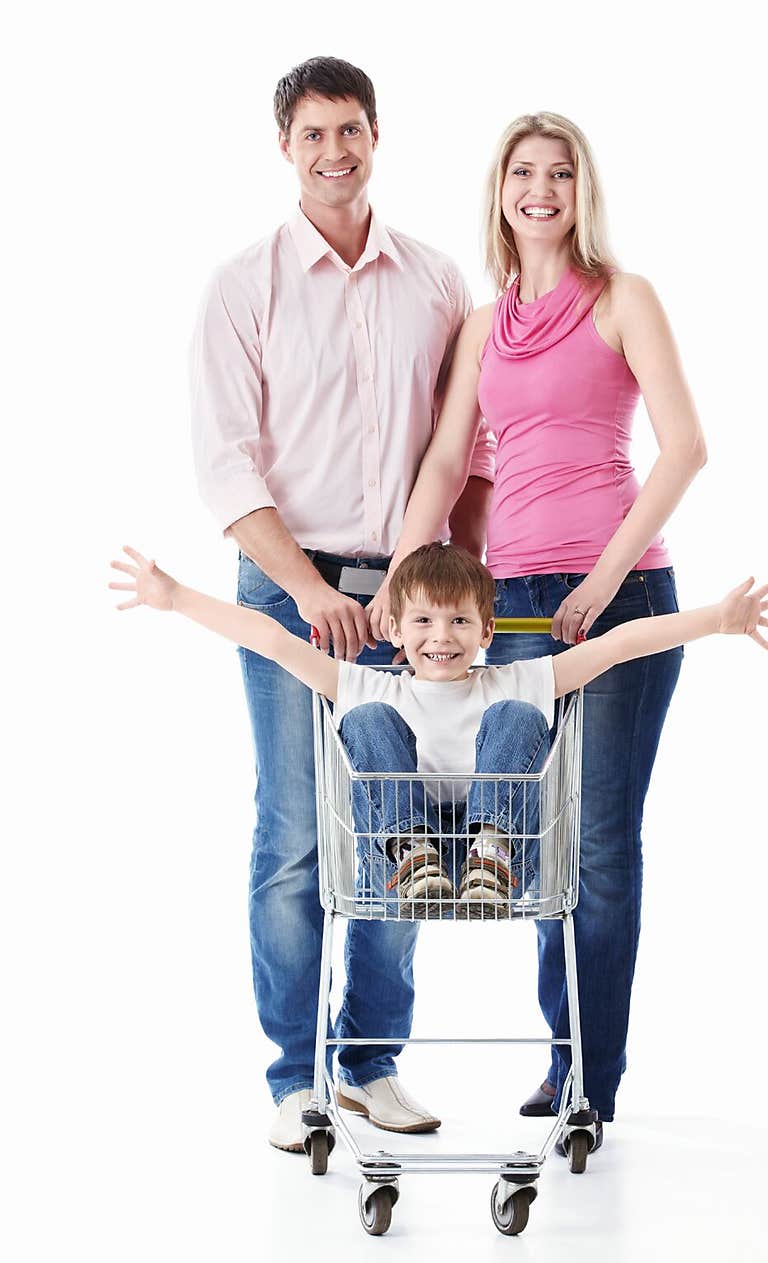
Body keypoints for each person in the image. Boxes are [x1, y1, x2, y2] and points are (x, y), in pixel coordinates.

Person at [110, 541, 768, 1157]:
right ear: (395, 632)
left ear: (487, 632)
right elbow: (271, 639)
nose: (443, 637)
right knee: (369, 722)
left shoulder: (514, 683)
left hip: (497, 858)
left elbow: (618, 646)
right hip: (400, 861)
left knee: (520, 720)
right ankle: (413, 854)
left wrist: (714, 618)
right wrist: (176, 599)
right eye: (426, 622)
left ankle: (491, 853)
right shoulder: (372, 684)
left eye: (461, 622)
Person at [365, 111, 710, 1136]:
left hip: (619, 593)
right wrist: (399, 581)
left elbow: (684, 447)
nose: (541, 188)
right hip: (509, 604)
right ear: (501, 189)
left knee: (601, 846)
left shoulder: (623, 299)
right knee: (534, 836)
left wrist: (604, 578)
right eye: (524, 171)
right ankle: (562, 1056)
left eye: (560, 172)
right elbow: (441, 463)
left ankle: (585, 1078)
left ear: (582, 189)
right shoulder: (484, 322)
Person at [188, 56, 494, 1150]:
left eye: (350, 130)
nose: (334, 151)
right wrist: (312, 590)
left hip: (409, 596)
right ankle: (292, 1077)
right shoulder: (245, 283)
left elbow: (468, 447)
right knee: (293, 835)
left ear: (377, 136)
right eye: (313, 134)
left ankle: (369, 1062)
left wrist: (449, 587)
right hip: (287, 581)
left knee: (394, 823)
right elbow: (225, 470)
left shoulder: (436, 281)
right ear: (286, 146)